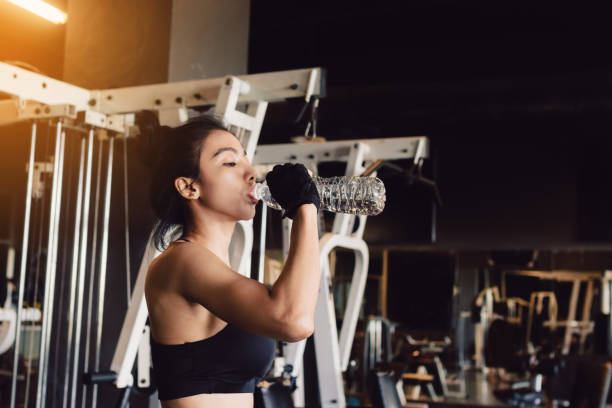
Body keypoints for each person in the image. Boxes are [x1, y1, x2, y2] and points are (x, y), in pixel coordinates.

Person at [138, 112, 321, 408]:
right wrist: (305, 209)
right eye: (230, 162)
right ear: (189, 187)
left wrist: (305, 208)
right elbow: (294, 321)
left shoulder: (216, 267)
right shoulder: (182, 261)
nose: (250, 173)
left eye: (247, 160)